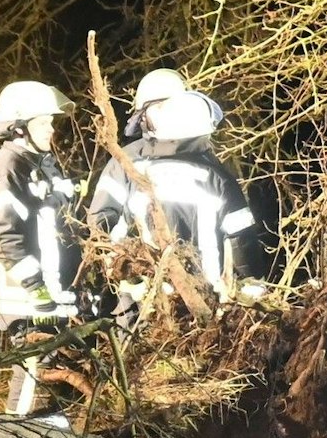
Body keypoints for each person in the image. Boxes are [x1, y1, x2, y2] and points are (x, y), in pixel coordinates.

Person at [88, 89, 268, 303]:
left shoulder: (136, 169)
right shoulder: (218, 177)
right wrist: (252, 283)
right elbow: (242, 240)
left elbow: (104, 226)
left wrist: (124, 276)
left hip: (148, 297)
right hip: (207, 299)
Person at [0, 80, 84, 420]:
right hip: (27, 297)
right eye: (44, 123)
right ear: (20, 127)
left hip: (51, 292)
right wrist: (36, 290)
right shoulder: (7, 168)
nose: (51, 129)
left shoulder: (41, 164)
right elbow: (5, 235)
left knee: (47, 370)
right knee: (31, 369)